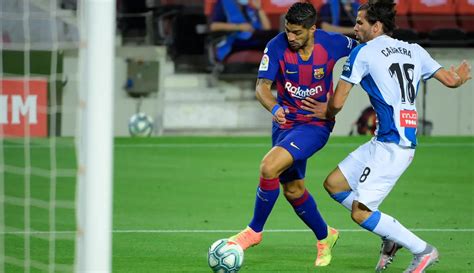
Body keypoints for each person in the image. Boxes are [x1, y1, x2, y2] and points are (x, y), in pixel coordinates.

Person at [301, 0, 472, 272]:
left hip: (392, 148)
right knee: (334, 184)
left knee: (360, 212)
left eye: (360, 23)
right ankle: (389, 237)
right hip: (386, 141)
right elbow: (451, 81)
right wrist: (461, 77)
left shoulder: (363, 52)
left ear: (376, 26)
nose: (355, 28)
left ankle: (423, 250)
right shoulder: (414, 50)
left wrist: (326, 110)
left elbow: (338, 101)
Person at [228, 2, 358, 267]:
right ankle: (326, 236)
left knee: (268, 167)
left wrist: (335, 105)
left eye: (297, 32)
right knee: (293, 190)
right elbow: (262, 87)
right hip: (284, 125)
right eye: (288, 31)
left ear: (312, 29)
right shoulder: (275, 45)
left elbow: (366, 54)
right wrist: (274, 107)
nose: (291, 37)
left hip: (315, 125)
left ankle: (254, 231)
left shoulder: (333, 43)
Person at [209, 0, 275, 61]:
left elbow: (267, 29)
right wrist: (239, 27)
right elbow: (213, 26)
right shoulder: (223, 3)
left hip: (252, 38)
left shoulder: (248, 7)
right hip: (234, 41)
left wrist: (259, 9)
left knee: (274, 36)